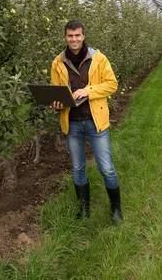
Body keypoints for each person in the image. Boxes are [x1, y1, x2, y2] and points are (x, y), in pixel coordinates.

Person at [49, 20, 123, 224]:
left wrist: (88, 91)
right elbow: (55, 89)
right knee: (77, 167)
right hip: (71, 122)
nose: (74, 39)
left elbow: (112, 84)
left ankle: (116, 209)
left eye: (77, 35)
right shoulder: (58, 62)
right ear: (65, 37)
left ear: (83, 36)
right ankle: (84, 210)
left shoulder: (98, 59)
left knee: (106, 167)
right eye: (70, 36)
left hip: (95, 121)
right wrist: (56, 103)